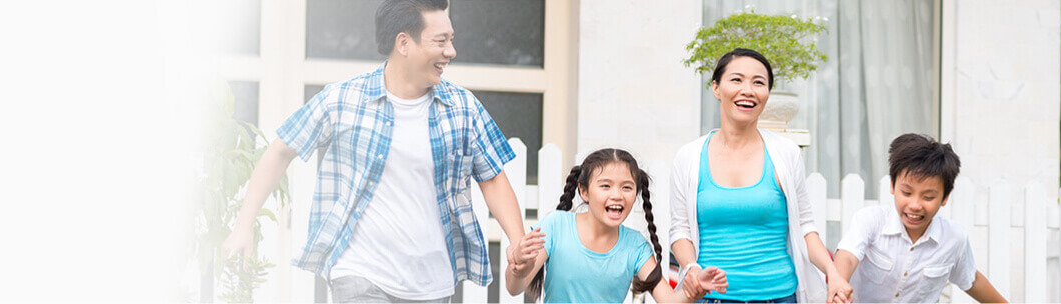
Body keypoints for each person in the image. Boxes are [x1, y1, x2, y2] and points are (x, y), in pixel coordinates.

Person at [218, 0, 530, 302]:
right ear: (404, 43)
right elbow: (280, 150)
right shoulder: (344, 99)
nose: (451, 51)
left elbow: (492, 179)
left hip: (431, 284)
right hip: (359, 273)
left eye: (451, 39)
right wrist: (243, 226)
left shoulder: (462, 108)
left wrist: (518, 242)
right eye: (440, 41)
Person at [668, 48, 837, 303]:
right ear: (716, 88)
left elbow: (806, 227)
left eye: (759, 82)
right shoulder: (689, 157)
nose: (748, 90)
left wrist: (832, 273)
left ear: (767, 93)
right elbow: (680, 231)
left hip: (779, 297)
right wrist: (691, 267)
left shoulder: (786, 153)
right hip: (710, 298)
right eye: (736, 79)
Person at [505, 148, 728, 303]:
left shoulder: (635, 246)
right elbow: (514, 288)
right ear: (584, 191)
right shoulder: (555, 226)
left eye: (626, 187)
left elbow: (669, 300)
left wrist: (696, 289)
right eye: (605, 186)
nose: (617, 195)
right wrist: (518, 267)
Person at [825, 134, 1007, 303]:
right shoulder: (871, 221)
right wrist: (839, 284)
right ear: (892, 185)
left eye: (928, 197)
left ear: (945, 198)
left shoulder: (954, 238)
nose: (915, 205)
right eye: (907, 192)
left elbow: (972, 280)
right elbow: (847, 255)